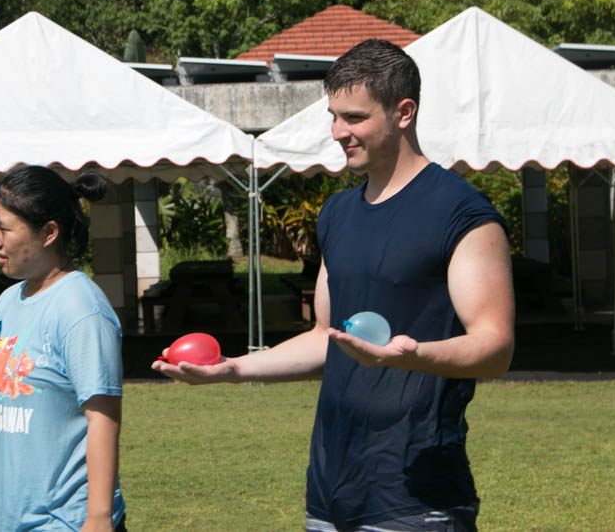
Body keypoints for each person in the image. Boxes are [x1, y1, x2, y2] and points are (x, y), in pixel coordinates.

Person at [152, 39, 515, 531]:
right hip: (331, 491)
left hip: (416, 497)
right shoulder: (337, 214)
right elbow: (327, 337)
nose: (338, 132)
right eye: (334, 117)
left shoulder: (463, 214)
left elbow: (495, 347)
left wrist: (411, 356)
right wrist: (234, 369)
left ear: (403, 112)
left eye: (354, 117)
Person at [0, 165, 127, 532]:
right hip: (6, 519)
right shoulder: (7, 303)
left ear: (49, 232)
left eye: (4, 229)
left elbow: (103, 418)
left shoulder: (81, 310)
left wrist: (99, 518)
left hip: (63, 523)